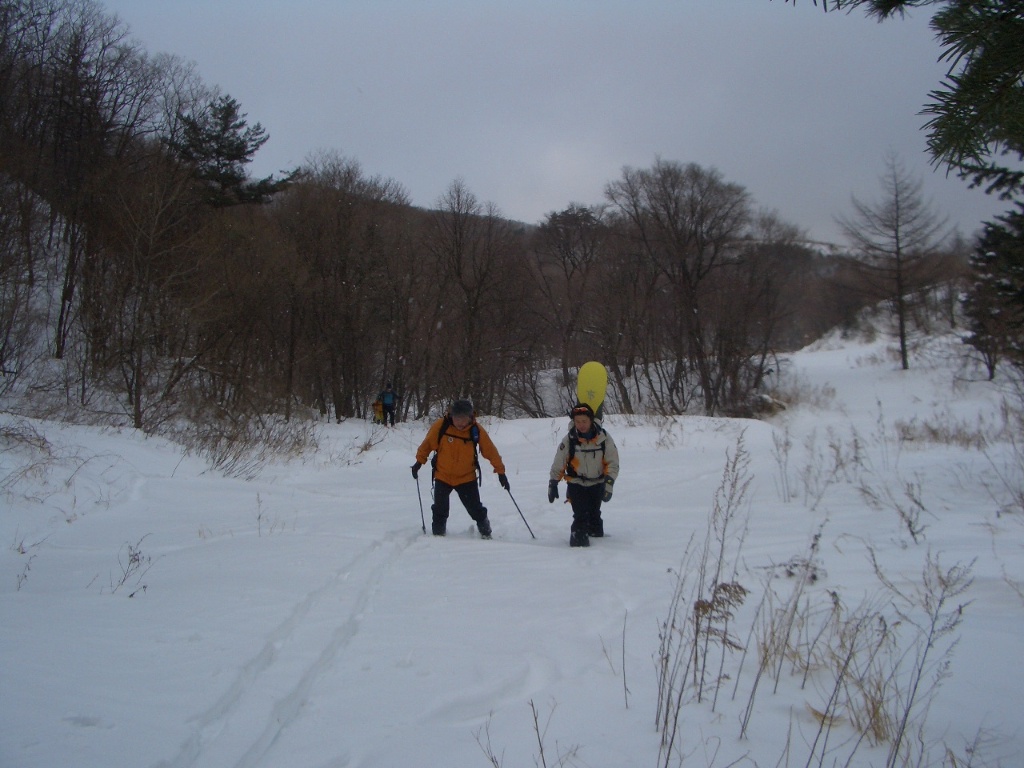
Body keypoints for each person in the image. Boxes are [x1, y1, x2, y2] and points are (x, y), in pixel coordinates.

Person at [411, 399, 509, 538]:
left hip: (466, 477)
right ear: (452, 416)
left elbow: (490, 451)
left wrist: (501, 472)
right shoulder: (441, 426)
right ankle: (438, 536)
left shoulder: (476, 430)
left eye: (464, 419)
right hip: (442, 475)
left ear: (470, 417)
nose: (460, 423)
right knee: (440, 509)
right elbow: (427, 445)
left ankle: (485, 532)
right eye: (457, 418)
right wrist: (418, 463)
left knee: (475, 508)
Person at [548, 402, 620, 547]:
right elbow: (559, 462)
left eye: (584, 421)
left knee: (594, 514)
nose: (581, 425)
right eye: (578, 422)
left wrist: (609, 484)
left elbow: (612, 462)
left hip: (597, 483)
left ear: (591, 420)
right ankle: (578, 541)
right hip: (576, 483)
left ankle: (599, 543)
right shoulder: (569, 440)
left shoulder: (603, 438)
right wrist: (553, 483)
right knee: (580, 515)